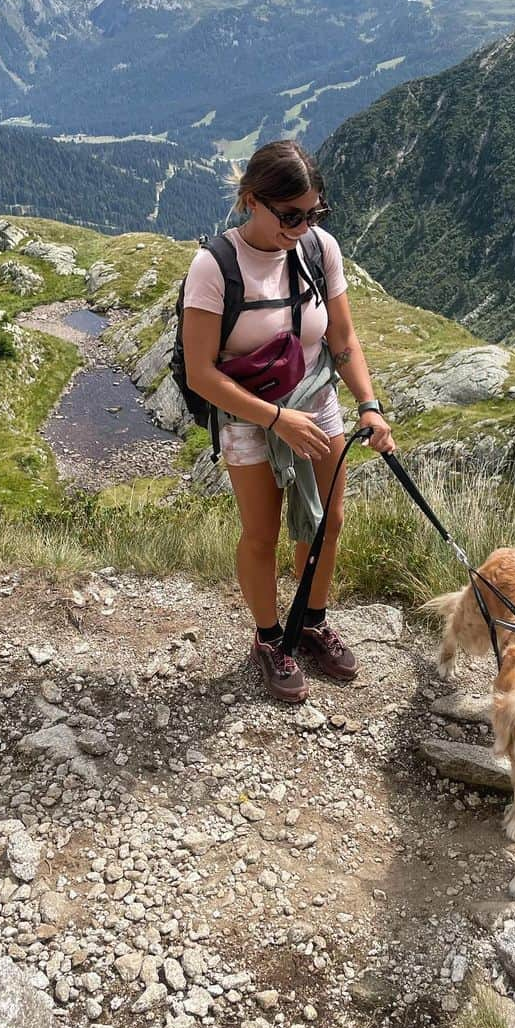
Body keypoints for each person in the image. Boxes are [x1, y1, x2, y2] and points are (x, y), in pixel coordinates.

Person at [182, 139, 395, 703]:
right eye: (290, 215)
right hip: (249, 414)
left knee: (326, 523)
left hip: (317, 401)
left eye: (313, 213)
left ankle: (311, 621)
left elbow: (342, 340)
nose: (302, 226)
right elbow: (202, 373)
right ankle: (269, 638)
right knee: (262, 533)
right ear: (252, 200)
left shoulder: (319, 251)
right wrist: (276, 418)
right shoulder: (214, 268)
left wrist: (369, 405)